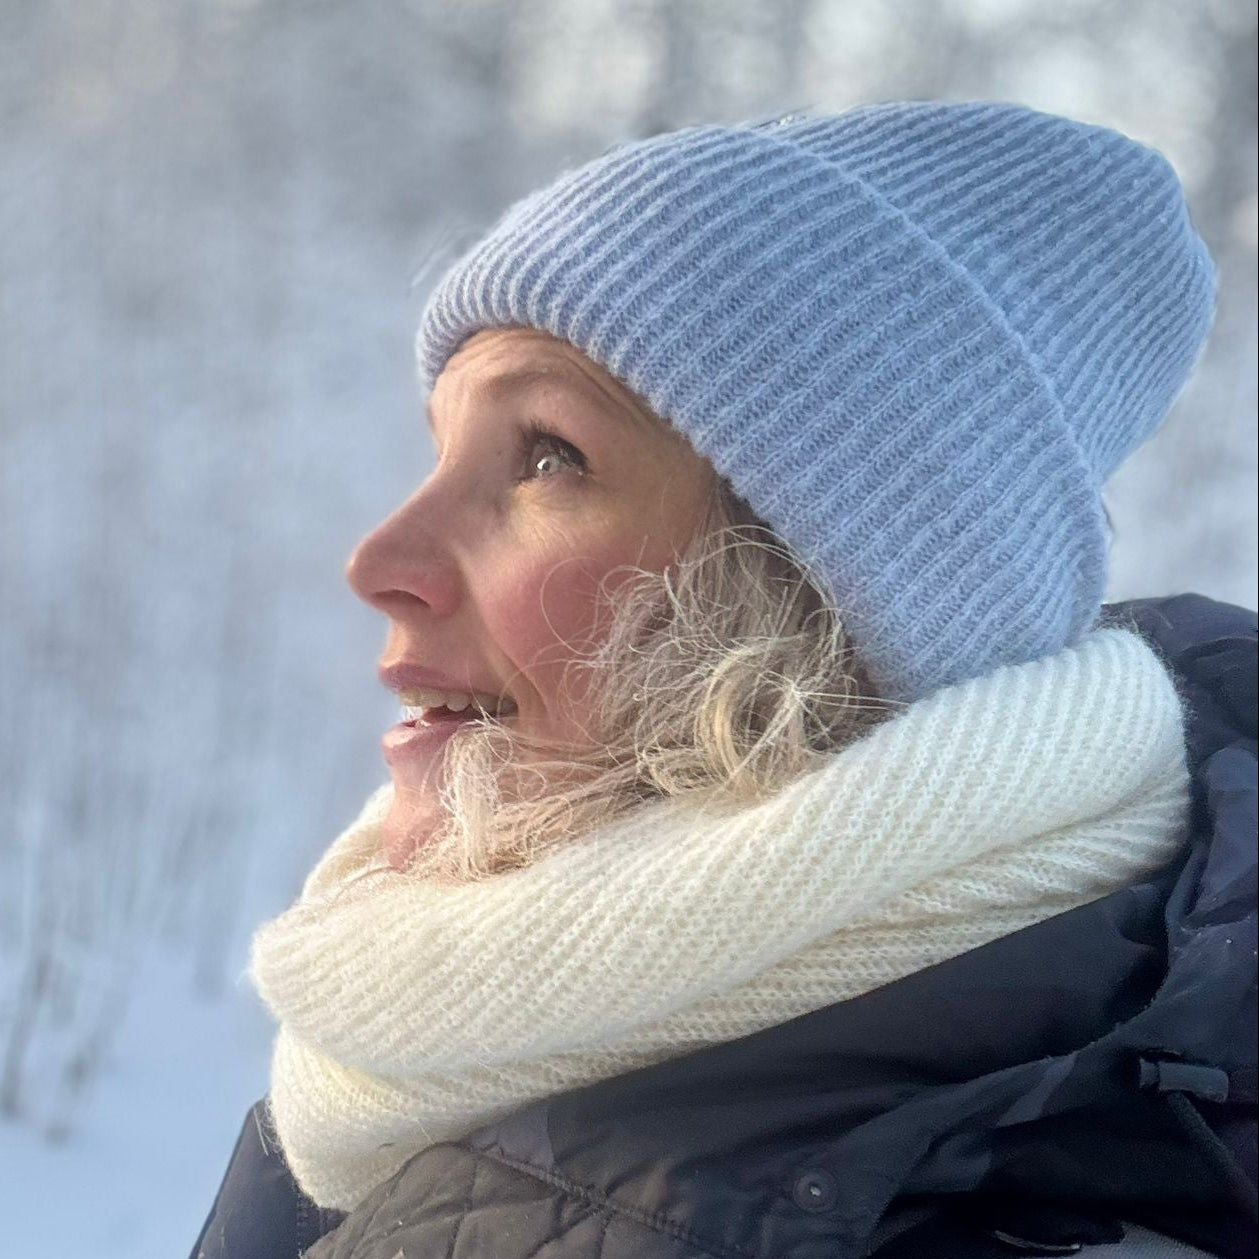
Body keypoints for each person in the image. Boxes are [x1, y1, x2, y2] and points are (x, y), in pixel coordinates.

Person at [191, 102, 1257, 1259]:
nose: (376, 561)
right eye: (440, 448)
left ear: (822, 598)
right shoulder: (422, 1048)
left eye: (548, 455)